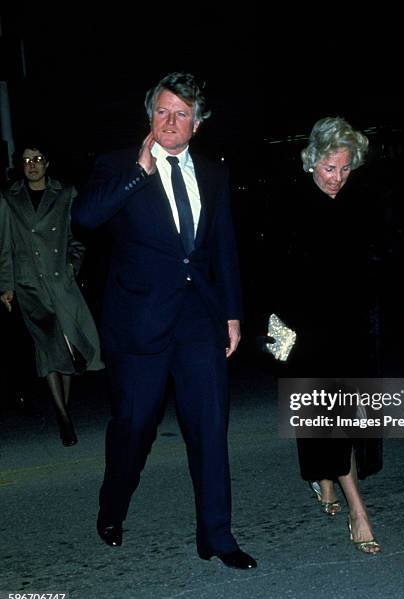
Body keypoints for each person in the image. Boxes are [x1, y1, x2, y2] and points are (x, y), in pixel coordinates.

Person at [72, 71, 256, 570]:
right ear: (149, 116)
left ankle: (216, 536)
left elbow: (224, 250)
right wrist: (139, 170)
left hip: (199, 321)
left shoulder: (214, 174)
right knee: (134, 426)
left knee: (210, 426)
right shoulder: (117, 165)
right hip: (138, 325)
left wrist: (233, 315)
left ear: (198, 123)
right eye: (163, 112)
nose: (171, 122)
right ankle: (112, 508)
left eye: (182, 114)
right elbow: (85, 218)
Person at [268, 117, 381, 554]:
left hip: (350, 326)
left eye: (345, 169)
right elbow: (272, 270)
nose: (336, 179)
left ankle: (325, 480)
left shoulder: (359, 201)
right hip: (306, 330)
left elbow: (373, 260)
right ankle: (360, 511)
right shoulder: (288, 202)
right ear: (312, 160)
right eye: (329, 168)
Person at [0, 144, 104, 445]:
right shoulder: (10, 198)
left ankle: (64, 410)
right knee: (48, 346)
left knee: (67, 345)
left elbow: (78, 236)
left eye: (37, 159)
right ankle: (62, 416)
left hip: (61, 280)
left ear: (47, 162)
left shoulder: (66, 193)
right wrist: (6, 285)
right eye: (26, 161)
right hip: (29, 284)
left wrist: (72, 264)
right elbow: (4, 246)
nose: (32, 165)